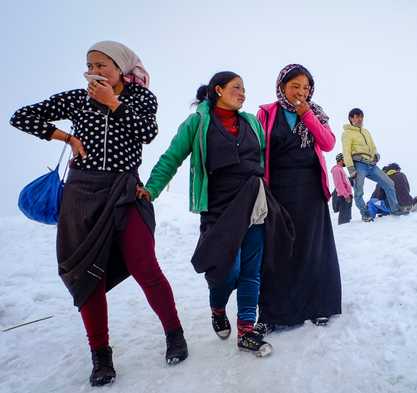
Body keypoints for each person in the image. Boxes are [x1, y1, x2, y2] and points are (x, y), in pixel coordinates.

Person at [9, 41, 187, 386]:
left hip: (124, 191)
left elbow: (146, 134)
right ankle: (101, 356)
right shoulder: (77, 98)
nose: (94, 70)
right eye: (90, 64)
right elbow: (22, 116)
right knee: (86, 276)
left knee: (144, 265)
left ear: (120, 68)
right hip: (82, 194)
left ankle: (174, 333)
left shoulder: (141, 98)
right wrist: (66, 138)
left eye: (102, 64)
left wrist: (113, 103)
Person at [138, 71, 293, 357]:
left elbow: (263, 159)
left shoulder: (250, 123)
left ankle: (246, 331)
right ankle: (218, 306)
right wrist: (151, 190)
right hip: (218, 207)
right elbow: (171, 157)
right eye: (237, 88)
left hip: (254, 202)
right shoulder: (198, 122)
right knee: (225, 270)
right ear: (218, 90)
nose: (243, 93)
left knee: (250, 271)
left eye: (244, 89)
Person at [255, 64, 342, 333]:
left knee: (313, 247)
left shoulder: (315, 112)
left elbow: (327, 143)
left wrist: (306, 115)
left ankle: (319, 306)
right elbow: (258, 147)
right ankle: (273, 314)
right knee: (277, 248)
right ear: (282, 86)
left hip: (310, 189)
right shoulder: (267, 112)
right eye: (295, 86)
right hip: (277, 189)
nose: (301, 92)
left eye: (306, 87)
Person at [342, 108, 407, 221]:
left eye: (361, 116)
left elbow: (373, 147)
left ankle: (395, 209)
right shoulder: (347, 133)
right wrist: (351, 169)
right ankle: (365, 214)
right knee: (359, 191)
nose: (359, 119)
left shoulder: (366, 132)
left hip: (371, 164)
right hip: (358, 164)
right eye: (356, 117)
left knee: (389, 183)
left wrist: (376, 155)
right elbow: (346, 152)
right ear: (351, 119)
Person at [331, 153, 353, 224]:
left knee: (347, 218)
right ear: (341, 160)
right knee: (344, 220)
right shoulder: (336, 169)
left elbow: (345, 182)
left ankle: (347, 232)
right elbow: (339, 184)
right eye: (345, 160)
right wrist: (346, 195)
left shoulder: (340, 169)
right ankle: (344, 232)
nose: (346, 162)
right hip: (344, 197)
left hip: (346, 196)